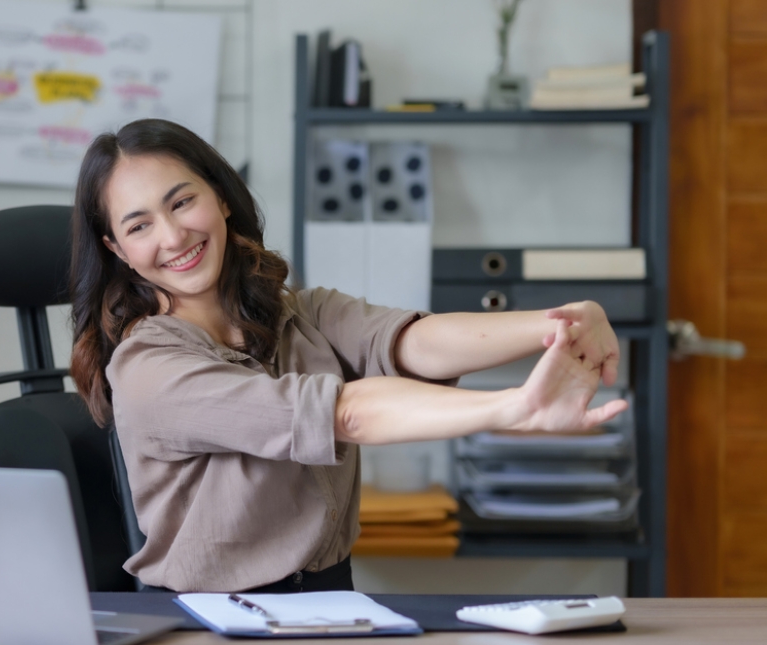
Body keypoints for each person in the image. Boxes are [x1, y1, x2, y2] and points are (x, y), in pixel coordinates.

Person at [68, 119, 628, 594]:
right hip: (212, 619)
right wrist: (514, 407)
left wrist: (564, 322)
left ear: (219, 197)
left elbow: (414, 340)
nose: (172, 236)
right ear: (117, 249)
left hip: (328, 595)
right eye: (139, 225)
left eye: (182, 201)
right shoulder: (149, 370)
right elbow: (343, 413)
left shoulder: (299, 311)